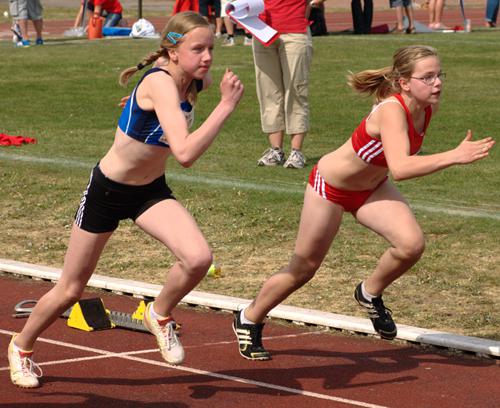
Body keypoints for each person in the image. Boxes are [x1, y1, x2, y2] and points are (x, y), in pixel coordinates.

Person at [8, 11, 244, 388]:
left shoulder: (193, 80)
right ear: (172, 49)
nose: (208, 57)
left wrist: (138, 101)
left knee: (198, 258)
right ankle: (21, 347)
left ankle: (159, 314)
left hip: (149, 192)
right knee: (71, 288)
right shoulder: (163, 83)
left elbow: (162, 119)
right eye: (198, 48)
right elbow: (184, 153)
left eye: (211, 48)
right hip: (107, 191)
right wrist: (226, 106)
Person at [232, 45, 495, 360]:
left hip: (371, 189)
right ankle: (249, 317)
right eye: (428, 77)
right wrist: (454, 156)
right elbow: (401, 167)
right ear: (404, 82)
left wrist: (452, 155)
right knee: (304, 269)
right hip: (329, 188)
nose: (437, 83)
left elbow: (392, 166)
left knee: (411, 245)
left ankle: (369, 292)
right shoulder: (391, 110)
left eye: (440, 75)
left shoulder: (426, 108)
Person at [255, 0, 319, 169]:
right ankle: (276, 150)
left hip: (295, 30)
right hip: (261, 30)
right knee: (268, 91)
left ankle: (296, 151)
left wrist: (310, 6)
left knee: (296, 91)